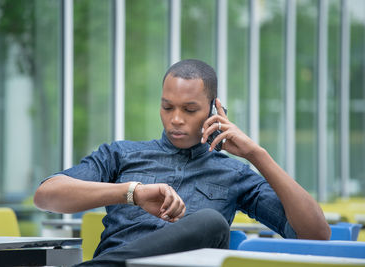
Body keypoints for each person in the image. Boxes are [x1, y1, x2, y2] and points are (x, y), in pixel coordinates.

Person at [34, 59, 330, 266]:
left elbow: (316, 235)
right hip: (115, 257)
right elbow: (46, 195)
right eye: (167, 107)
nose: (176, 119)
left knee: (212, 224)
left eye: (189, 109)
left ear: (216, 110)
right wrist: (131, 193)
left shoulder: (234, 173)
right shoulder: (122, 154)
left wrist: (257, 155)